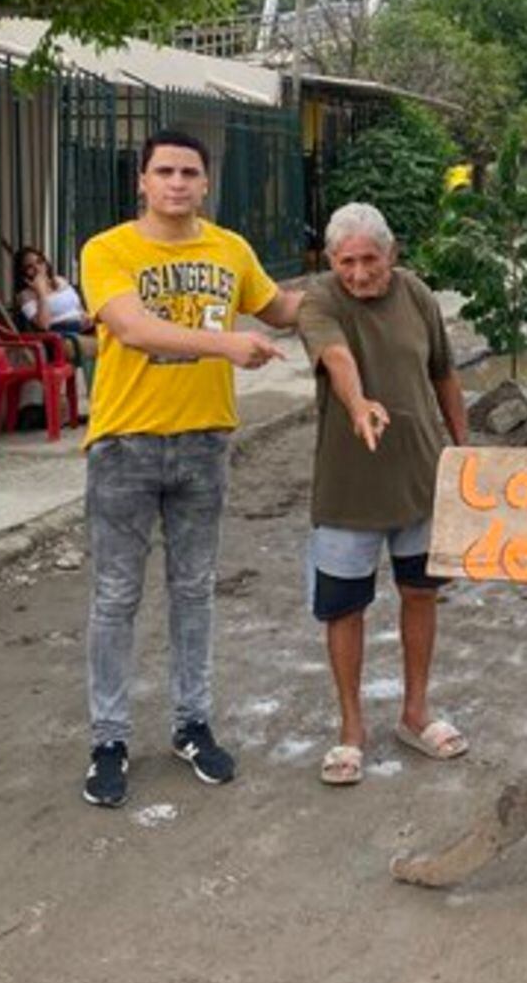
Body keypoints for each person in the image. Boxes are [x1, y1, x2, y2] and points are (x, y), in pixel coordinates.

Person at [78, 129, 303, 809]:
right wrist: (227, 345)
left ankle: (191, 724)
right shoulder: (107, 250)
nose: (177, 183)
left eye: (189, 173)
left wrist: (361, 275)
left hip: (205, 443)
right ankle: (108, 740)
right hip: (126, 443)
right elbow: (134, 328)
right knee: (117, 596)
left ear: (206, 184)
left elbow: (281, 309)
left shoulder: (230, 249)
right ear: (142, 182)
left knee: (194, 590)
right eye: (164, 172)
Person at [298, 201, 471, 787]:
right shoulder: (320, 299)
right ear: (331, 260)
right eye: (347, 261)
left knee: (420, 594)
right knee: (344, 609)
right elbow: (335, 355)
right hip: (349, 490)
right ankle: (351, 731)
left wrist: (463, 449)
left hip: (421, 480)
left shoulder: (416, 294)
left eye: (369, 259)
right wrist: (358, 403)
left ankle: (415, 712)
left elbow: (444, 371)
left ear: (391, 255)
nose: (359, 273)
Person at [12, 245, 90, 347]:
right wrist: (41, 292)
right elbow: (44, 325)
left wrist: (87, 317)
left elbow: (79, 308)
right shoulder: (25, 295)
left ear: (45, 263)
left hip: (83, 329)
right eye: (29, 267)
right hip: (61, 337)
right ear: (23, 273)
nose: (37, 268)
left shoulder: (60, 280)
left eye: (39, 262)